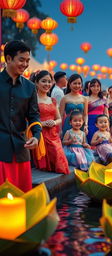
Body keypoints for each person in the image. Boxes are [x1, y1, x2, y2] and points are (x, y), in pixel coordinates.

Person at [0, 40, 41, 192]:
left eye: (27, 60)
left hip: (21, 149)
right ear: (8, 59)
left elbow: (34, 116)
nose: (25, 64)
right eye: (21, 60)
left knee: (22, 198)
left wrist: (36, 136)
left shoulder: (30, 87)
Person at [32, 70, 69, 174]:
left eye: (49, 81)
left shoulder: (52, 100)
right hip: (40, 134)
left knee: (61, 162)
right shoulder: (33, 100)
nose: (47, 84)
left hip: (53, 134)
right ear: (36, 83)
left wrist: (54, 123)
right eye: (44, 81)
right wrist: (43, 124)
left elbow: (59, 118)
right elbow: (28, 119)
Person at [87, 78, 108, 144]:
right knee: (91, 141)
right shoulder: (86, 99)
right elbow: (84, 113)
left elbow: (106, 113)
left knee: (103, 142)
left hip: (102, 123)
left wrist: (108, 126)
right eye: (93, 86)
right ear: (90, 87)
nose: (96, 88)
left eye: (98, 86)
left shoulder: (103, 99)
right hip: (90, 123)